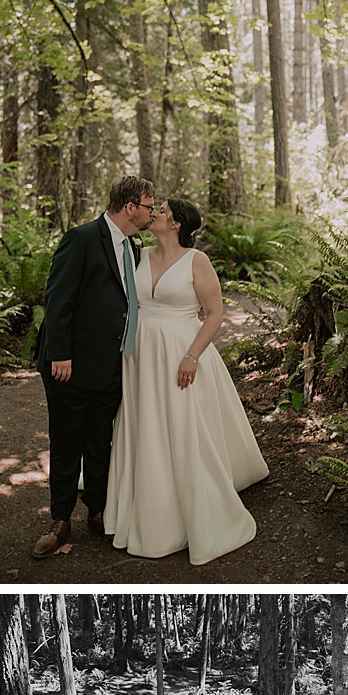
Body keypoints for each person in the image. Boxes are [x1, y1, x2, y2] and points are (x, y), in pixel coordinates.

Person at [103, 199, 268, 563]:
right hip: (141, 356)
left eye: (161, 211)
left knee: (181, 425)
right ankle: (143, 504)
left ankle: (192, 505)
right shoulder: (138, 254)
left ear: (176, 223)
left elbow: (214, 313)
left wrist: (192, 356)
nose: (154, 214)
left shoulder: (197, 260)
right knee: (145, 424)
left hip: (181, 351)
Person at [31, 175, 156, 559]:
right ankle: (60, 520)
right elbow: (58, 298)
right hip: (69, 364)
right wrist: (60, 354)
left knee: (101, 442)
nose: (152, 213)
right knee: (66, 443)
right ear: (130, 207)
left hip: (112, 364)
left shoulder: (133, 247)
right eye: (149, 206)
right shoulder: (81, 238)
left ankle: (98, 511)